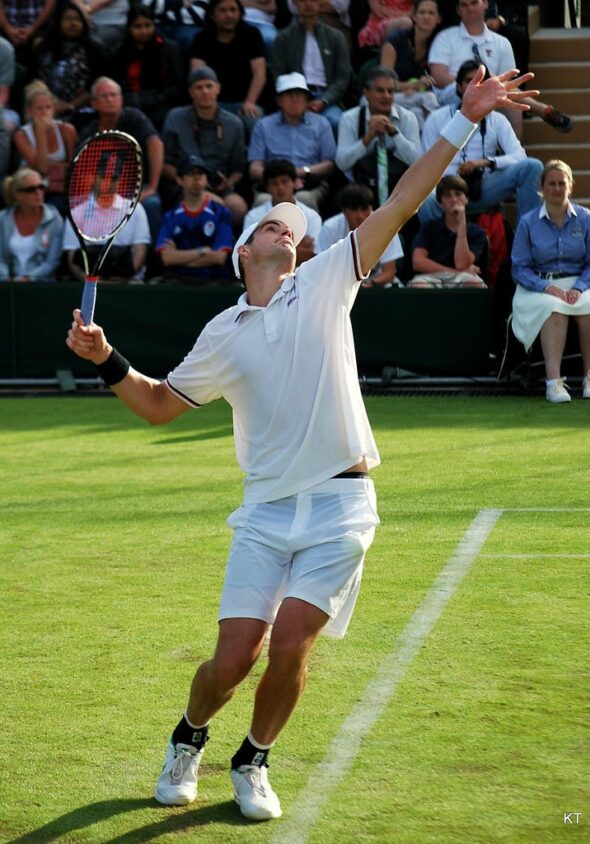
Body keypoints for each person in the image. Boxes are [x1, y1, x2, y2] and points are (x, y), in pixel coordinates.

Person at [66, 63, 533, 822]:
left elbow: (406, 195)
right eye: (273, 224)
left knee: (289, 647)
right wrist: (106, 359)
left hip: (343, 505)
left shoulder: (325, 284)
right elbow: (155, 405)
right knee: (231, 660)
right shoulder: (221, 333)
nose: (290, 229)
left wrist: (465, 117)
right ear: (241, 251)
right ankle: (189, 737)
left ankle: (253, 759)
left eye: (298, 229)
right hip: (265, 509)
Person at [511, 159, 590, 403]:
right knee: (554, 311)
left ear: (570, 186)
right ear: (542, 187)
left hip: (578, 284)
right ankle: (553, 383)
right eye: (551, 183)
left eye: (562, 183)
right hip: (538, 287)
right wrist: (546, 287)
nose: (557, 188)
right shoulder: (527, 222)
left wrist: (580, 287)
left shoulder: (585, 218)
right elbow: (519, 268)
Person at [419, 59, 542, 222]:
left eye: (482, 82)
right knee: (425, 201)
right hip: (446, 189)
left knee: (532, 166)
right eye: (469, 81)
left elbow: (520, 157)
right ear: (459, 86)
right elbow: (427, 164)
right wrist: (448, 187)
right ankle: (440, 244)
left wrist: (486, 162)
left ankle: (529, 237)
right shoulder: (437, 118)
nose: (476, 87)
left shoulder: (497, 120)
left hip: (482, 187)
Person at [428, 0, 573, 136]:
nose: (470, 8)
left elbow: (509, 82)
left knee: (511, 105)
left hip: (494, 95)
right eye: (464, 5)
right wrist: (474, 82)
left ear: (485, 3)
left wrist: (487, 84)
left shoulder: (502, 43)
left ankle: (514, 155)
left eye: (474, 3)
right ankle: (541, 109)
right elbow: (439, 77)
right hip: (454, 92)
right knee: (495, 88)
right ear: (458, 10)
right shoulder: (445, 38)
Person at [79, 76, 164, 242]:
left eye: (113, 95)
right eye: (104, 96)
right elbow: (83, 170)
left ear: (121, 99)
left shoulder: (135, 118)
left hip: (138, 187)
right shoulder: (89, 132)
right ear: (93, 104)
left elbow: (156, 144)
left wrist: (152, 187)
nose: (110, 99)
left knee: (152, 205)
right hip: (103, 190)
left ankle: (154, 258)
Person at [161, 66, 248, 228]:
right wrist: (188, 182)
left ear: (218, 88)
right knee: (214, 205)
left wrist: (228, 182)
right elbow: (165, 164)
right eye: (199, 87)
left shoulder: (233, 123)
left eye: (209, 86)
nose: (205, 92)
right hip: (185, 186)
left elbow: (239, 167)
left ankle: (231, 250)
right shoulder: (175, 118)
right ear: (191, 92)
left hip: (220, 186)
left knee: (238, 208)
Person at [248, 72, 336, 211]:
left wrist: (300, 172)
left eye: (300, 95)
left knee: (303, 200)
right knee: (262, 202)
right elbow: (254, 168)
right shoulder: (263, 125)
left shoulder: (321, 123)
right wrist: (279, 178)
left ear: (307, 99)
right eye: (289, 95)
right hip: (273, 184)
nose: (295, 99)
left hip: (309, 182)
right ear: (279, 100)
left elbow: (329, 164)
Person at [336, 65, 421, 206]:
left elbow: (417, 161)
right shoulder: (349, 118)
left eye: (390, 91)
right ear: (366, 93)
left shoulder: (408, 117)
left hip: (400, 187)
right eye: (380, 91)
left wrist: (395, 134)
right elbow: (342, 164)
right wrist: (368, 137)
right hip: (360, 190)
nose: (386, 96)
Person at [270, 0, 352, 132]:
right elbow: (277, 74)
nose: (308, 4)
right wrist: (297, 99)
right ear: (295, 4)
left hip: (326, 96)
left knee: (337, 123)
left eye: (313, 0)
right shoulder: (283, 38)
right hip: (294, 96)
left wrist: (325, 100)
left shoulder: (336, 37)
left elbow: (343, 76)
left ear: (321, 3)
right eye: (302, 0)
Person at [189, 0, 267, 136]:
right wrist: (209, 105)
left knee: (257, 126)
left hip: (245, 103)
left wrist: (250, 102)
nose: (229, 15)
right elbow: (197, 75)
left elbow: (260, 73)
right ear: (212, 15)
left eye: (233, 10)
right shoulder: (201, 38)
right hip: (214, 103)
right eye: (223, 10)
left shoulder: (252, 35)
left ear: (240, 13)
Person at [63, 167, 151, 282]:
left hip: (128, 282)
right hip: (89, 283)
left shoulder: (136, 209)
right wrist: (91, 281)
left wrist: (118, 281)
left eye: (114, 178)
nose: (108, 183)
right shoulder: (76, 213)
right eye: (103, 177)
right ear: (93, 179)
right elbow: (72, 256)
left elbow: (141, 251)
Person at [155, 154, 234, 282]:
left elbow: (219, 257)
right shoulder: (171, 216)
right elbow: (167, 258)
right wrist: (202, 251)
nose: (197, 178)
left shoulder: (221, 213)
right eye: (191, 174)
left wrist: (179, 258)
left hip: (214, 282)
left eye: (201, 174)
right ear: (179, 180)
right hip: (179, 282)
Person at [114, 4, 185, 132]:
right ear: (129, 28)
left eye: (148, 25)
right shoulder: (120, 51)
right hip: (129, 104)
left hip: (161, 105)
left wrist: (153, 98)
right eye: (138, 26)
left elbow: (178, 86)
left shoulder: (169, 48)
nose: (144, 31)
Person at [316, 182, 403, 287]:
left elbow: (389, 272)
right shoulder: (330, 228)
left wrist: (370, 283)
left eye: (365, 209)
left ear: (372, 208)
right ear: (343, 210)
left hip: (377, 285)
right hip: (338, 285)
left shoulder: (386, 227)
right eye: (354, 209)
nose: (360, 215)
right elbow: (323, 267)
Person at [407, 174, 486, 287]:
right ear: (441, 201)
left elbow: (461, 264)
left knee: (474, 283)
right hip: (432, 275)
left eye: (458, 194)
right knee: (418, 285)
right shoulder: (429, 227)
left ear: (467, 199)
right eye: (447, 196)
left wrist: (462, 225)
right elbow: (418, 262)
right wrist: (453, 272)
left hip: (462, 277)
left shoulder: (477, 232)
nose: (454, 200)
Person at [13, 80, 78, 215]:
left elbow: (74, 167)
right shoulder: (21, 135)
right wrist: (41, 133)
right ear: (29, 112)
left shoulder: (67, 130)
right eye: (39, 108)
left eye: (48, 107)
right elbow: (41, 168)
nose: (44, 113)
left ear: (54, 110)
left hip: (61, 188)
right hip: (32, 189)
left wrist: (53, 167)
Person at [244, 157, 322, 266]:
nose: (280, 187)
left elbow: (313, 254)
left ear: (295, 183)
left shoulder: (312, 216)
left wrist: (268, 250)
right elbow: (249, 254)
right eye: (274, 183)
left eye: (284, 182)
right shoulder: (253, 216)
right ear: (267, 187)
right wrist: (295, 249)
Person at [32, 1, 103, 121]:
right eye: (68, 19)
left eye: (77, 19)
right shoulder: (43, 48)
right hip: (44, 107)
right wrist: (51, 104)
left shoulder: (94, 50)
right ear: (58, 22)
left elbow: (94, 87)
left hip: (81, 109)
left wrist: (70, 106)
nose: (73, 23)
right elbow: (34, 81)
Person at [379, 0, 441, 129]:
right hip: (384, 96)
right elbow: (382, 83)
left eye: (431, 13)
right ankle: (440, 138)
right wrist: (414, 85)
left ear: (438, 19)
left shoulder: (438, 44)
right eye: (422, 12)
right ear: (414, 16)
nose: (426, 16)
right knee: (429, 98)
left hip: (411, 99)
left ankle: (424, 147)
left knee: (417, 114)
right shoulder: (395, 41)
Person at [0, 168, 63, 281]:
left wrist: (28, 279)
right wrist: (7, 277)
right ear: (17, 195)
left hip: (41, 287)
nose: (38, 192)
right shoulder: (2, 219)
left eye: (41, 187)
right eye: (31, 189)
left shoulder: (55, 219)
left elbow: (52, 262)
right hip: (6, 286)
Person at [0, 0, 55, 69]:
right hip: (6, 29)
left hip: (38, 29)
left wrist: (33, 29)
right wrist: (8, 29)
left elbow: (51, 3)